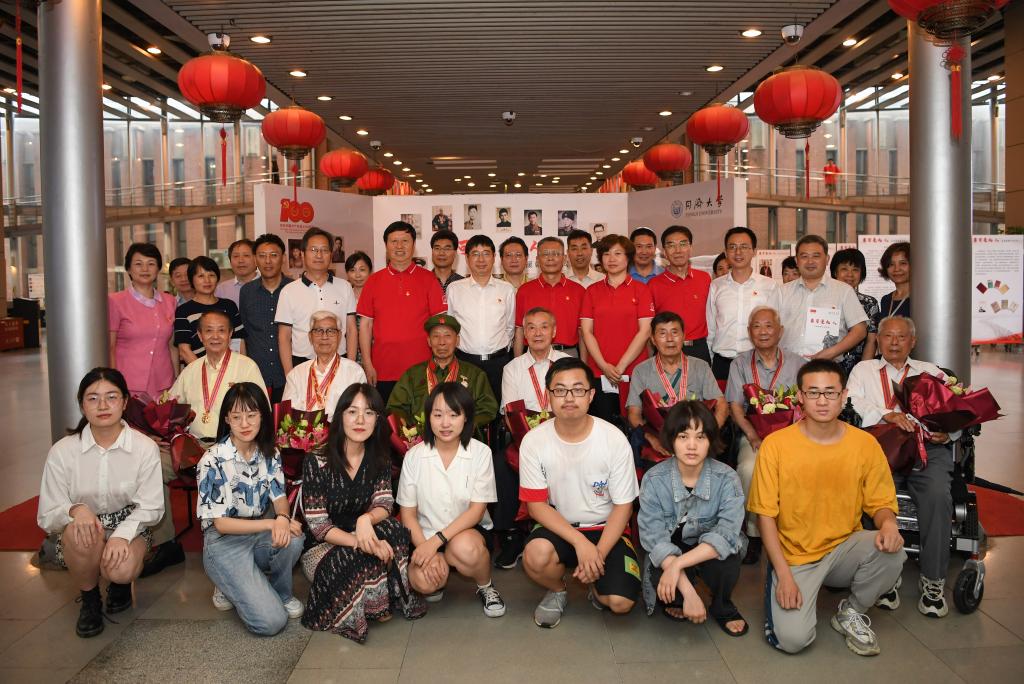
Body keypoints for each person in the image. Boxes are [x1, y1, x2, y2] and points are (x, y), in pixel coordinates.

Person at [748, 359, 905, 657]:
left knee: (892, 549)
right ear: (800, 397)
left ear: (843, 396)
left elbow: (881, 502)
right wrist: (783, 575)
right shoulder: (776, 445)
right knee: (793, 641)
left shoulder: (865, 444)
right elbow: (765, 515)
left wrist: (888, 523)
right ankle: (781, 583)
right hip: (795, 557)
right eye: (814, 392)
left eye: (830, 392)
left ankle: (851, 611)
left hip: (844, 546)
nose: (822, 401)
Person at [38, 368, 163, 638]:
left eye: (111, 397)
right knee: (81, 532)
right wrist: (75, 510)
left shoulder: (144, 448)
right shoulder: (62, 452)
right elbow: (47, 514)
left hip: (131, 525)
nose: (103, 405)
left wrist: (121, 535)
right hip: (83, 527)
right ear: (82, 405)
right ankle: (90, 599)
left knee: (120, 569)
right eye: (93, 398)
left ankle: (120, 584)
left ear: (125, 402)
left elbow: (152, 507)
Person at [846, 316, 956, 617]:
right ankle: (885, 576)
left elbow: (956, 409)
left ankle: (933, 580)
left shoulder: (930, 372)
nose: (894, 342)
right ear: (878, 340)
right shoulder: (864, 370)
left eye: (901, 337)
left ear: (913, 341)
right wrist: (887, 414)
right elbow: (850, 401)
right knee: (875, 498)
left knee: (937, 496)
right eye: (888, 336)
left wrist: (949, 433)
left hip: (927, 449)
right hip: (882, 449)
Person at [520, 358, 641, 627]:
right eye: (560, 390)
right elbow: (536, 506)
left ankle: (597, 585)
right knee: (536, 555)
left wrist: (598, 553)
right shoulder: (533, 441)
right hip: (561, 527)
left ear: (591, 395)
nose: (569, 397)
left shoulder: (613, 439)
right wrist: (580, 543)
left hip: (607, 528)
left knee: (620, 603)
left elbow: (624, 506)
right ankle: (558, 590)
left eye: (578, 389)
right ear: (549, 396)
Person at [301, 383, 426, 642]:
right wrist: (361, 542)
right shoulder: (317, 460)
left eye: (369, 413)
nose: (360, 420)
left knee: (396, 530)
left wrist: (365, 520)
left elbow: (385, 503)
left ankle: (377, 598)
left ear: (377, 419)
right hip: (325, 545)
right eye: (352, 412)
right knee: (355, 557)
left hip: (364, 532)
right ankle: (368, 602)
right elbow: (319, 526)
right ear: (340, 417)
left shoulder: (378, 457)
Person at [197, 382, 305, 635]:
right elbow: (221, 524)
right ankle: (227, 581)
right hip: (224, 541)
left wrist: (282, 517)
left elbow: (279, 496)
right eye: (236, 417)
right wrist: (272, 522)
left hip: (257, 533)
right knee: (271, 623)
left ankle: (280, 593)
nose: (244, 423)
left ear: (262, 416)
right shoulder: (212, 459)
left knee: (294, 537)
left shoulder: (270, 452)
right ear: (227, 419)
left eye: (251, 415)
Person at [638, 401, 747, 635]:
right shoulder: (654, 479)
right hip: (672, 547)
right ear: (671, 440)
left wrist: (678, 565)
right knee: (660, 571)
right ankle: (681, 595)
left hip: (707, 549)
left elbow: (726, 535)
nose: (691, 446)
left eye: (700, 437)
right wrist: (688, 592)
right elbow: (654, 540)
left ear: (711, 440)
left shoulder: (727, 478)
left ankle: (723, 607)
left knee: (728, 560)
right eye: (683, 436)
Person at [398, 383, 507, 617]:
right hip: (424, 535)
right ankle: (438, 573)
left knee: (464, 548)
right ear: (428, 418)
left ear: (466, 417)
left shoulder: (480, 453)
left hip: (468, 533)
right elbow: (408, 514)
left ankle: (486, 586)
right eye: (437, 415)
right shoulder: (414, 456)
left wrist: (436, 542)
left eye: (453, 415)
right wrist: (425, 548)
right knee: (422, 582)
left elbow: (476, 512)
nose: (445, 423)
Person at [725, 306, 805, 565]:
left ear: (780, 331)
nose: (763, 331)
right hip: (754, 435)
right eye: (757, 326)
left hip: (792, 437)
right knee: (748, 469)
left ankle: (794, 530)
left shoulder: (798, 364)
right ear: (750, 332)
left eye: (769, 326)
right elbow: (736, 407)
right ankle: (754, 534)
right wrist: (752, 436)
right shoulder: (739, 364)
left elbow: (806, 404)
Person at [498, 307, 569, 568]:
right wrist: (531, 444)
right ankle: (513, 535)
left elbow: (576, 405)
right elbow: (510, 415)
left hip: (565, 436)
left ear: (554, 331)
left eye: (544, 327)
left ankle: (567, 526)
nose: (538, 333)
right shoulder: (513, 368)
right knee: (500, 464)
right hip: (524, 440)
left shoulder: (567, 363)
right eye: (531, 327)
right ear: (524, 334)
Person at [357, 221, 447, 402]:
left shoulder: (429, 279)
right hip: (382, 370)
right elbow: (365, 326)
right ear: (386, 245)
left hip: (422, 369)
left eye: (405, 241)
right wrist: (367, 364)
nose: (399, 246)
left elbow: (439, 325)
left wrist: (439, 362)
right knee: (385, 417)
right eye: (394, 241)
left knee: (421, 418)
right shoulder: (373, 281)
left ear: (413, 245)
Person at [626, 312, 727, 459]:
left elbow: (722, 405)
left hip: (696, 439)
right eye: (662, 333)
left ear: (684, 336)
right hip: (660, 441)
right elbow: (634, 415)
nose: (669, 339)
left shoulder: (701, 367)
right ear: (653, 339)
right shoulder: (641, 371)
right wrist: (651, 439)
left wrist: (706, 435)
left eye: (675, 332)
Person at [580, 234, 654, 424]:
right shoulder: (591, 291)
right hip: (599, 371)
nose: (611, 259)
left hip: (635, 370)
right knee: (603, 426)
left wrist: (621, 366)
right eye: (606, 254)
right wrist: (604, 366)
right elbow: (586, 332)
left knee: (636, 426)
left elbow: (645, 331)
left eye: (618, 253)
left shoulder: (642, 290)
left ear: (628, 258)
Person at [169, 310, 268, 442]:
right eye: (209, 331)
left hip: (232, 445)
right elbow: (170, 407)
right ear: (200, 335)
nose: (215, 336)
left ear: (230, 334)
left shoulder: (247, 367)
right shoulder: (191, 370)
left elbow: (263, 411)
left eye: (221, 330)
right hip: (194, 445)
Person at [387, 314, 497, 430]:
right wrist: (409, 427)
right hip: (421, 438)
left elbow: (488, 409)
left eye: (447, 336)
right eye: (436, 336)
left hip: (462, 437)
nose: (442, 342)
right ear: (429, 341)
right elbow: (395, 407)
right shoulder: (412, 375)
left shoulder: (475, 375)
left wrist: (466, 425)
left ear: (457, 340)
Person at [276, 227, 358, 375]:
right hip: (302, 364)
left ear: (331, 255)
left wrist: (351, 368)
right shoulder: (288, 291)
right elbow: (284, 336)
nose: (319, 255)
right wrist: (290, 375)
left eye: (324, 250)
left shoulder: (345, 287)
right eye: (313, 249)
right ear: (303, 254)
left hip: (339, 362)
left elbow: (351, 330)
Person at [447, 235, 515, 407]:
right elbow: (450, 327)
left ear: (494, 257)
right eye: (475, 254)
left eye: (486, 253)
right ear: (467, 258)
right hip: (465, 362)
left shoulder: (506, 289)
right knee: (465, 410)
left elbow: (510, 327)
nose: (481, 259)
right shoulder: (455, 289)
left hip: (498, 363)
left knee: (498, 409)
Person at [706, 227, 779, 381]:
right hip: (722, 363)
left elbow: (776, 329)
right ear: (726, 252)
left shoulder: (770, 286)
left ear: (754, 251)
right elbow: (711, 328)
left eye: (744, 247)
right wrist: (710, 361)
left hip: (756, 362)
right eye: (732, 247)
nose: (738, 252)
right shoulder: (716, 286)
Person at [779, 235, 867, 361]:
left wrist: (831, 352)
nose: (810, 261)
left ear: (827, 259)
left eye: (816, 256)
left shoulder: (844, 291)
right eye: (804, 256)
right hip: (786, 365)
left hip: (827, 366)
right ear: (797, 260)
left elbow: (860, 330)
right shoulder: (781, 292)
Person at [108, 243, 177, 399]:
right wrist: (113, 383)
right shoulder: (115, 301)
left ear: (158, 269)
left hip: (163, 383)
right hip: (127, 383)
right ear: (128, 269)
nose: (145, 269)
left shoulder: (170, 301)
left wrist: (176, 380)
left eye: (151, 264)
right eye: (138, 264)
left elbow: (171, 346)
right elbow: (110, 347)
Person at [282, 311, 367, 421]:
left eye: (331, 331)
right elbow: (287, 416)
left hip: (341, 430)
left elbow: (360, 412)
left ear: (339, 336)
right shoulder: (296, 374)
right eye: (318, 331)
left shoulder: (355, 372)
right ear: (310, 337)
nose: (324, 337)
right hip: (304, 431)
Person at [239, 234, 293, 404]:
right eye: (262, 256)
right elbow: (244, 335)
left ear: (283, 258)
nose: (268, 261)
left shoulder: (294, 289)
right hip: (256, 374)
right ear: (255, 259)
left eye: (273, 255)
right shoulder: (246, 292)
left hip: (289, 374)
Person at [648, 225, 713, 363]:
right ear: (664, 252)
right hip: (666, 348)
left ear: (691, 248)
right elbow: (649, 326)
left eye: (683, 244)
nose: (678, 250)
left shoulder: (705, 279)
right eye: (671, 245)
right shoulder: (653, 285)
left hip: (699, 349)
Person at [514, 236, 585, 357]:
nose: (551, 258)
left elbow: (582, 332)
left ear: (564, 259)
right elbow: (519, 330)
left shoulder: (579, 291)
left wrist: (583, 365)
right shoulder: (524, 291)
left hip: (568, 354)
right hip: (533, 354)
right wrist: (518, 362)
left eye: (556, 254)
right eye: (545, 254)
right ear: (537, 260)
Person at [173, 256, 246, 364]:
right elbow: (184, 350)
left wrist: (240, 368)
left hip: (230, 369)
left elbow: (239, 342)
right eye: (201, 276)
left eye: (211, 275)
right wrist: (205, 371)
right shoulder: (183, 310)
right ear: (192, 280)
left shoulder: (229, 306)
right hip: (197, 370)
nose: (207, 281)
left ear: (217, 278)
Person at [831, 248, 880, 369]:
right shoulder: (824, 300)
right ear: (835, 272)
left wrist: (864, 370)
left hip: (858, 366)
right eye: (844, 269)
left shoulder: (869, 303)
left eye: (855, 270)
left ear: (861, 274)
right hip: (828, 365)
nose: (850, 274)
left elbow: (871, 341)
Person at [345, 251, 373, 366]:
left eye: (362, 270)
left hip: (374, 354)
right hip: (348, 355)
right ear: (347, 273)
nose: (357, 275)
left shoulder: (378, 297)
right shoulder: (344, 297)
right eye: (352, 270)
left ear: (370, 271)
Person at [214, 239, 259, 307]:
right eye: (236, 256)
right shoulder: (220, 290)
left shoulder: (266, 285)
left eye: (246, 255)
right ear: (230, 262)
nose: (240, 260)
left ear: (256, 260)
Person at [876, 241, 911, 325]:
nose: (896, 269)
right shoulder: (886, 300)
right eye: (891, 264)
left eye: (903, 263)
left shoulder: (921, 298)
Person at [430, 229, 463, 295]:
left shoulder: (463, 284)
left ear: (455, 253)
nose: (441, 253)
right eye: (437, 248)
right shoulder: (422, 281)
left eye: (447, 249)